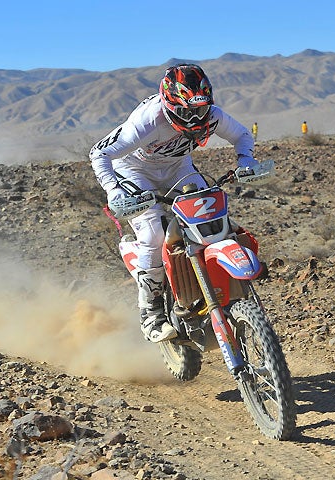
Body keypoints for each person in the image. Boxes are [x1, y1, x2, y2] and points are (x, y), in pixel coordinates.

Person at [89, 64, 259, 343]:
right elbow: (99, 153)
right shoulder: (147, 120)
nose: (194, 119)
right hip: (134, 170)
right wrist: (114, 190)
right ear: (169, 104)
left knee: (213, 216)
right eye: (185, 112)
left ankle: (221, 287)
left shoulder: (213, 116)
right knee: (153, 233)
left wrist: (246, 161)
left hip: (178, 167)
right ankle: (151, 312)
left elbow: (242, 135)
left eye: (200, 111)